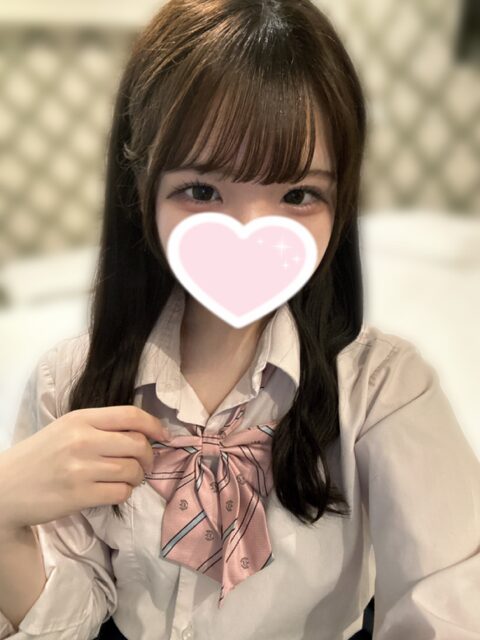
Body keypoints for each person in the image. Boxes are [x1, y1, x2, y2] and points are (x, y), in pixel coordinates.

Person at [1, 1, 479, 639]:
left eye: (298, 195)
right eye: (202, 191)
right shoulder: (69, 381)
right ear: (142, 191)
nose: (251, 233)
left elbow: (449, 601)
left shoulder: (382, 390)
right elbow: (70, 618)